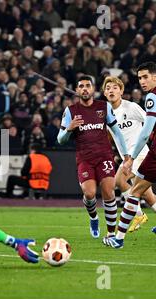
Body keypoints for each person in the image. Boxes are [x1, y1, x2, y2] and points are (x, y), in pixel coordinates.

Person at [104, 62, 156, 248]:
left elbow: (146, 128)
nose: (142, 81)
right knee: (138, 193)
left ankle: (141, 219)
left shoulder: (145, 101)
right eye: (139, 78)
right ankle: (119, 238)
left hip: (149, 151)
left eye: (145, 77)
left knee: (125, 184)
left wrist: (131, 156)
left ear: (155, 77)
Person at [57, 75, 129, 239]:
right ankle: (93, 217)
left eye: (87, 85)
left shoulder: (104, 107)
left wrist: (126, 156)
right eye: (81, 86)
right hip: (85, 159)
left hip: (104, 157)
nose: (84, 89)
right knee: (89, 194)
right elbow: (60, 140)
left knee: (109, 193)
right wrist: (69, 129)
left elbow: (117, 132)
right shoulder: (71, 111)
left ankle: (111, 234)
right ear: (77, 90)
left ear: (93, 89)